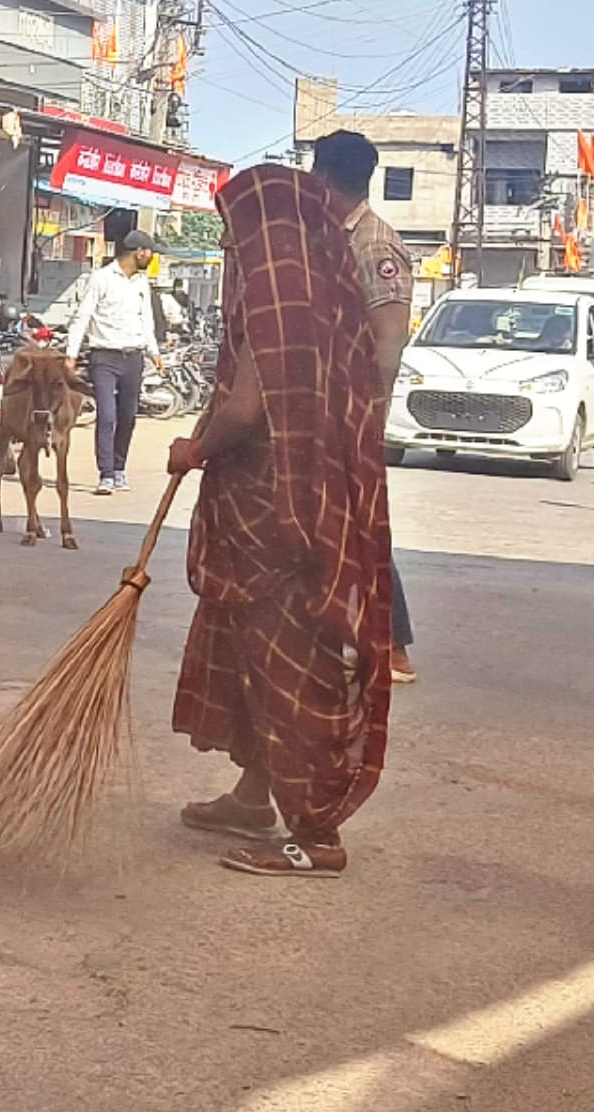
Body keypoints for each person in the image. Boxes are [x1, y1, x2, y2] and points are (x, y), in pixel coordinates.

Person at [166, 162, 398, 880]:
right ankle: (253, 795)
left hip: (284, 516)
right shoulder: (323, 286)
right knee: (254, 661)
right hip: (295, 504)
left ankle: (315, 833)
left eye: (238, 234)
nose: (233, 248)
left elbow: (246, 409)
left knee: (291, 663)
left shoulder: (280, 299)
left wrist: (194, 448)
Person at [312, 131, 421, 683]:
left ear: (325, 180)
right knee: (336, 522)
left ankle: (393, 645)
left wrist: (367, 415)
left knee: (360, 525)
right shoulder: (332, 236)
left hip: (353, 412)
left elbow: (389, 342)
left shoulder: (374, 245)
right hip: (328, 407)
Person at [59, 232, 165, 493]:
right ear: (138, 252)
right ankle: (105, 474)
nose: (150, 257)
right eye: (149, 252)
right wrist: (71, 354)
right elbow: (82, 316)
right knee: (107, 415)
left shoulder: (141, 283)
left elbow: (146, 320)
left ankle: (119, 469)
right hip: (104, 356)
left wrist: (154, 351)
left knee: (128, 416)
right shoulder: (101, 278)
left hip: (134, 357)